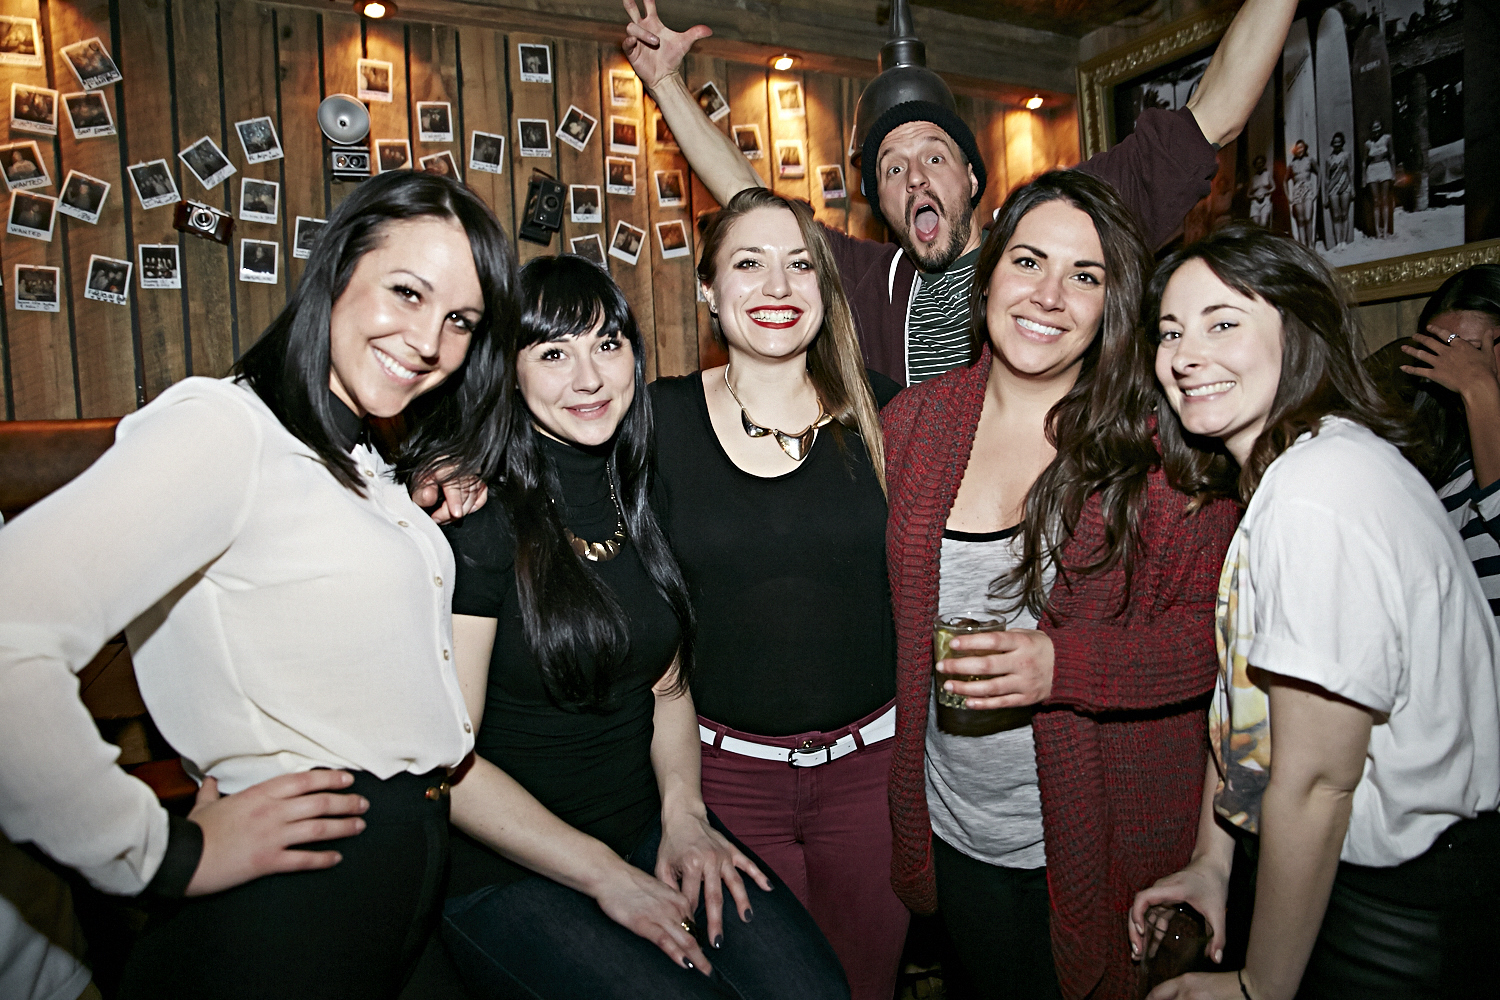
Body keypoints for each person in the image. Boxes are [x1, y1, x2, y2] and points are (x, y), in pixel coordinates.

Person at [0, 171, 515, 998]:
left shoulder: (357, 460)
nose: (429, 340)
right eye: (407, 292)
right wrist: (161, 853)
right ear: (339, 268)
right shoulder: (222, 427)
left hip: (403, 905)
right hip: (292, 915)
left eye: (461, 321)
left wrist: (415, 500)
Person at [438, 254, 849, 999]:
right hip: (507, 870)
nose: (589, 377)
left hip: (645, 827)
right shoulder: (479, 520)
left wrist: (687, 818)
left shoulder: (643, 493)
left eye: (606, 344)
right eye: (554, 353)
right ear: (510, 372)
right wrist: (604, 875)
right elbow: (450, 767)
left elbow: (667, 689)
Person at [882, 170, 1240, 1000]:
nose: (1049, 296)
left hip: (1103, 838)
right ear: (989, 275)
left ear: (1114, 303)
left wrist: (1062, 668)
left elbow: (1217, 638)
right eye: (1028, 262)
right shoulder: (914, 425)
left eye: (1085, 276)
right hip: (958, 830)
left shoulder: (1162, 448)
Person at [1131, 224, 1500, 999]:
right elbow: (1252, 706)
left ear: (1297, 332)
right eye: (1171, 331)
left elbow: (1317, 780)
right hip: (1365, 886)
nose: (1185, 354)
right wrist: (1213, 860)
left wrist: (1257, 987)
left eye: (1222, 323)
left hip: (1395, 913)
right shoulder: (1303, 469)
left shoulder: (1316, 494)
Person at [623, 0, 1299, 386]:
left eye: (934, 156)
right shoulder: (867, 281)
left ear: (972, 179)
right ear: (881, 207)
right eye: (891, 169)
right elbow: (752, 203)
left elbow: (1215, 116)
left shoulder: (1052, 227)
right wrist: (665, 86)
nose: (915, 177)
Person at [647, 188, 904, 1000]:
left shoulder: (887, 414)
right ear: (710, 293)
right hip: (723, 785)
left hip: (876, 781)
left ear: (825, 294)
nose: (777, 286)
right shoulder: (653, 422)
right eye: (748, 265)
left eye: (800, 266)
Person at [1365, 263, 1500, 620]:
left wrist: (1480, 387)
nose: (1453, 368)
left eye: (1469, 352)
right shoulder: (1450, 457)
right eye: (1439, 353)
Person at [1363, 120, 1394, 240]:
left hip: (1385, 167)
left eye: (1377, 127)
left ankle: (1385, 230)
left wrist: (1393, 173)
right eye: (1373, 128)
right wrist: (1364, 178)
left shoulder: (1387, 138)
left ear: (1381, 127)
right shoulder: (1368, 144)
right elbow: (1364, 162)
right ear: (1370, 130)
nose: (1375, 130)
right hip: (1372, 170)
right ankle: (1377, 230)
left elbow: (1392, 156)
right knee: (1376, 201)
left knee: (1385, 199)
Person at [1284, 139, 1318, 249]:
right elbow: (1285, 181)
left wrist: (1317, 189)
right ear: (1295, 150)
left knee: (1308, 218)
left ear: (1305, 148)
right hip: (1297, 192)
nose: (1300, 150)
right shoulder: (1292, 164)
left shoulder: (1310, 160)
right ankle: (1304, 246)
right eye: (1298, 148)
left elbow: (1319, 172)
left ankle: (1311, 245)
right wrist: (1288, 196)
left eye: (1302, 147)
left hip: (1308, 189)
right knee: (1301, 220)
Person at [1322, 132, 1353, 248]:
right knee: (1336, 216)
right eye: (1335, 143)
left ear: (1342, 143)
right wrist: (1326, 195)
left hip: (1345, 185)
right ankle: (1338, 241)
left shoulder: (1346, 155)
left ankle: (1344, 241)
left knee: (1345, 214)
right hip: (1333, 188)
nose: (1337, 145)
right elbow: (1326, 178)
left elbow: (1350, 171)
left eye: (1339, 142)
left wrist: (1352, 187)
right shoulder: (1329, 159)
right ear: (1332, 144)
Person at [1247, 155, 1272, 228]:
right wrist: (1254, 196)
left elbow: (1273, 187)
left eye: (1261, 163)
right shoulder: (1253, 178)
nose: (1259, 165)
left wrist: (1266, 192)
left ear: (1263, 163)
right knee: (1255, 225)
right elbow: (1248, 194)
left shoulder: (1267, 174)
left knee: (1263, 223)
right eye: (1257, 163)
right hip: (1255, 202)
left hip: (1265, 201)